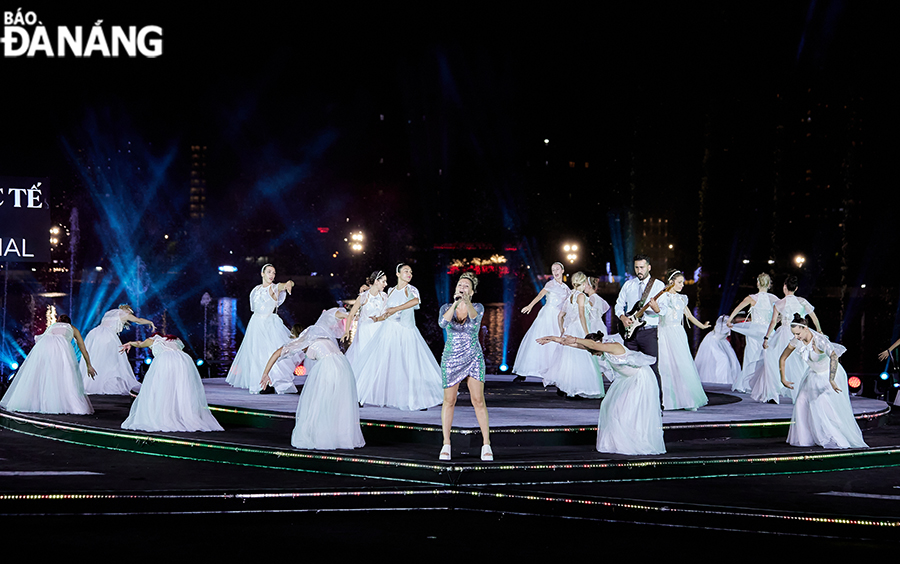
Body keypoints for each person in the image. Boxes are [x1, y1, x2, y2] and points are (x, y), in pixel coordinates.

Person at [538, 333, 664, 455]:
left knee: (625, 409)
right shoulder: (601, 349)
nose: (594, 355)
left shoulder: (613, 346)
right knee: (610, 407)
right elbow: (580, 346)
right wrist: (554, 338)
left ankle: (634, 441)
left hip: (639, 379)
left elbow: (593, 345)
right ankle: (618, 441)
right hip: (627, 380)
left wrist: (576, 338)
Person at [353, 263, 443, 410]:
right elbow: (386, 310)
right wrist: (378, 318)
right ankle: (360, 396)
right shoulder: (391, 290)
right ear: (398, 274)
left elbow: (415, 301)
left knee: (411, 365)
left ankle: (418, 400)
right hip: (389, 330)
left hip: (406, 331)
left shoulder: (411, 289)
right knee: (376, 362)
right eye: (406, 271)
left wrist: (396, 308)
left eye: (411, 272)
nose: (409, 274)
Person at [261, 324, 365, 450]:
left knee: (319, 402)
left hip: (328, 367)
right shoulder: (322, 337)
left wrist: (265, 373)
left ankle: (321, 437)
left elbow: (277, 353)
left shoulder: (304, 340)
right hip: (343, 365)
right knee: (337, 402)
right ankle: (340, 437)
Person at [780, 315, 867, 449]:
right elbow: (783, 358)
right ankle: (804, 439)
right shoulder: (796, 341)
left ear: (805, 328)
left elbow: (833, 356)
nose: (796, 337)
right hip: (813, 375)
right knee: (801, 401)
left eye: (798, 333)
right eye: (794, 334)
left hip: (830, 374)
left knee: (821, 404)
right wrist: (783, 378)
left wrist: (831, 379)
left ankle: (832, 437)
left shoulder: (819, 341)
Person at [438, 272, 492, 461]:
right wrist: (455, 303)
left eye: (466, 286)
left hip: (473, 357)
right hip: (451, 358)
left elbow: (475, 319)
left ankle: (486, 444)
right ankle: (446, 443)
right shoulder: (446, 307)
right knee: (449, 401)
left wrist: (466, 302)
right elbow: (443, 323)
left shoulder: (477, 306)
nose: (462, 288)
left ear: (472, 291)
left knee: (478, 400)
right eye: (460, 285)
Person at [120, 334, 223, 432]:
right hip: (183, 361)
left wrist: (130, 343)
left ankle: (165, 415)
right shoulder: (175, 340)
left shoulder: (152, 340)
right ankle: (182, 414)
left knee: (162, 387)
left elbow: (139, 343)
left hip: (166, 361)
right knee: (180, 387)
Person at [1, 315, 96, 415]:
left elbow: (40, 339)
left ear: (59, 320)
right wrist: (88, 365)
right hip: (60, 349)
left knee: (44, 375)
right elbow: (83, 349)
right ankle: (63, 403)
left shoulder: (52, 326)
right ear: (69, 322)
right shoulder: (72, 328)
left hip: (44, 348)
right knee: (64, 375)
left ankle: (39, 402)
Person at [226, 264, 296, 394]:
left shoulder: (274, 288)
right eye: (269, 272)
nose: (272, 275)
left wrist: (289, 283)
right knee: (255, 354)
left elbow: (284, 284)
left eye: (274, 273)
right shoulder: (256, 290)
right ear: (262, 273)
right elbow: (255, 308)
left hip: (269, 324)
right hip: (256, 323)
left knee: (269, 352)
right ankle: (259, 383)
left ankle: (273, 381)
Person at [751, 275, 821, 404]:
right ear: (796, 288)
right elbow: (814, 318)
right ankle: (802, 392)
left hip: (783, 333)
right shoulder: (802, 301)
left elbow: (773, 323)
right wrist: (819, 331)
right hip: (799, 333)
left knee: (773, 360)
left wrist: (766, 338)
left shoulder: (779, 303)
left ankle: (773, 393)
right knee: (800, 362)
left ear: (784, 287)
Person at [541, 272, 605, 398]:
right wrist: (587, 333)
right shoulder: (581, 295)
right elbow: (581, 314)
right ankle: (578, 389)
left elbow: (560, 315)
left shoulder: (570, 295)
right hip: (579, 328)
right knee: (581, 359)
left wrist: (562, 330)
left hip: (570, 329)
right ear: (583, 282)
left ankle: (566, 387)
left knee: (568, 360)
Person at [614, 254, 667, 408]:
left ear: (649, 267)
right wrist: (622, 317)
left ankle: (657, 404)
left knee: (652, 368)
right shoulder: (628, 285)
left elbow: (663, 310)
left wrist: (656, 309)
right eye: (636, 267)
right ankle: (628, 403)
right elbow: (618, 304)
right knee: (627, 368)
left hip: (649, 332)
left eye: (642, 267)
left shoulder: (658, 285)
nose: (639, 270)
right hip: (630, 333)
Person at [656, 269, 709, 410]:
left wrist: (702, 326)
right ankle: (666, 400)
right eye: (679, 282)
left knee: (682, 364)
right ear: (671, 282)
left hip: (678, 333)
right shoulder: (663, 297)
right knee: (665, 364)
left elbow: (690, 316)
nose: (682, 285)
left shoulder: (681, 298)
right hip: (664, 332)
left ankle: (687, 399)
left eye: (682, 282)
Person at [512, 262, 570, 380]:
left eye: (557, 269)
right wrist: (530, 306)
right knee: (538, 339)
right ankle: (524, 372)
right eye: (553, 270)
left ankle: (554, 372)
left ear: (562, 270)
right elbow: (540, 295)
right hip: (547, 314)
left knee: (556, 342)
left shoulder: (566, 288)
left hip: (559, 317)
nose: (555, 272)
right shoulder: (550, 284)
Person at [80, 304, 155, 395]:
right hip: (107, 336)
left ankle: (92, 383)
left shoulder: (109, 312)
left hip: (94, 333)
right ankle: (107, 384)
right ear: (128, 310)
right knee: (113, 360)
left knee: (96, 358)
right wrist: (150, 322)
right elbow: (138, 321)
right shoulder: (124, 314)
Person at [726, 273, 778, 392]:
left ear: (758, 283)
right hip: (768, 331)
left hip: (755, 331)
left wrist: (729, 320)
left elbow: (737, 309)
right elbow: (783, 310)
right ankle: (768, 384)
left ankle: (749, 384)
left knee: (752, 356)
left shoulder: (752, 298)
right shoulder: (774, 299)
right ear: (769, 284)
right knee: (769, 358)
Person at [343, 270, 388, 367]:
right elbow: (351, 315)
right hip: (365, 331)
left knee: (378, 359)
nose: (386, 284)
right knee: (365, 359)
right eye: (383, 281)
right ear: (376, 281)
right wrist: (347, 331)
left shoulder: (384, 297)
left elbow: (386, 315)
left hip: (380, 330)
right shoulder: (363, 297)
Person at [695, 315, 741, 385]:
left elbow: (735, 321)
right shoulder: (723, 319)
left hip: (722, 342)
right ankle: (721, 382)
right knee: (723, 359)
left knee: (732, 360)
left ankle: (727, 382)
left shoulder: (730, 320)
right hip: (713, 341)